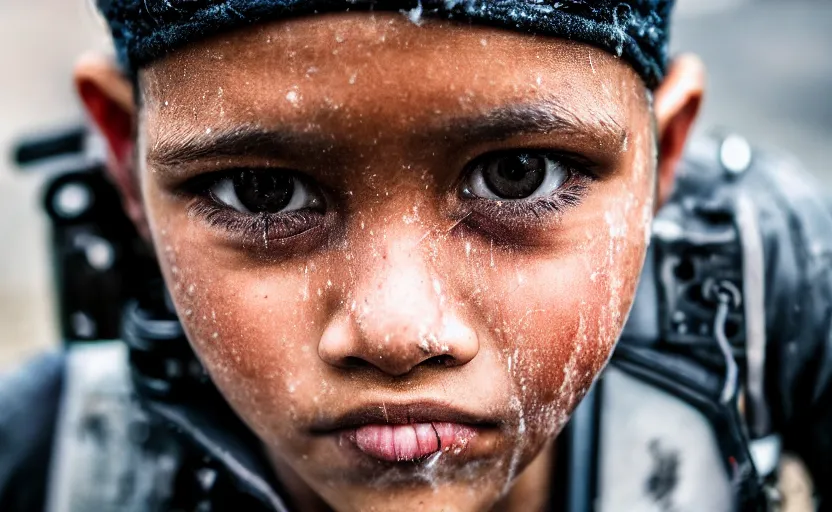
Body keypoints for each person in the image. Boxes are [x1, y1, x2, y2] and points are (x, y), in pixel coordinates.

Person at [1, 0, 830, 510]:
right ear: (125, 159)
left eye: (516, 176)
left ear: (662, 153)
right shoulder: (52, 456)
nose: (397, 333)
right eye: (261, 192)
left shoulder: (765, 295)